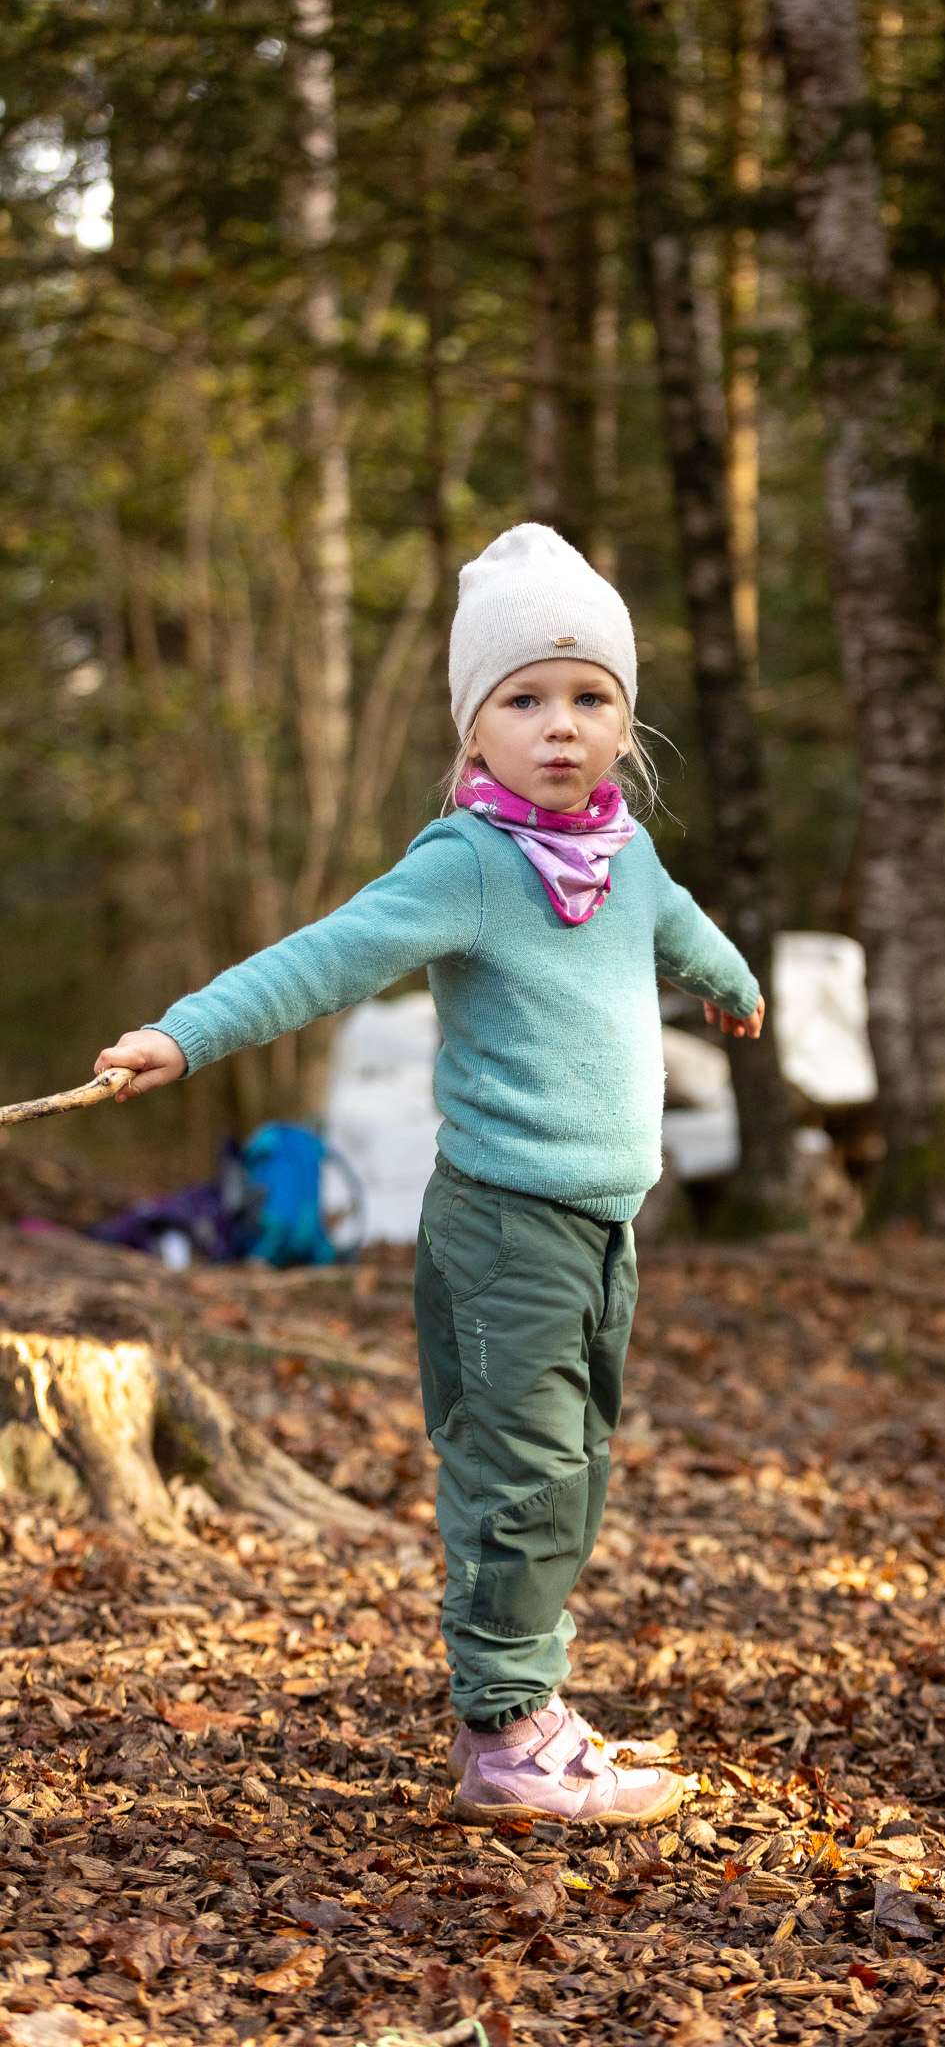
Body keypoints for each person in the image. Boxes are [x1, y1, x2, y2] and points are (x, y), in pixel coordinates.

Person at [95, 523, 765, 1827]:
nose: (559, 726)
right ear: (475, 731)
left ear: (625, 723)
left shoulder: (624, 855)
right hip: (505, 1223)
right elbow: (325, 957)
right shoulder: (468, 862)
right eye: (523, 700)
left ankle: (530, 1708)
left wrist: (731, 985)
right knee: (517, 1473)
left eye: (589, 698)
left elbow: (678, 930)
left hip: (601, 1227)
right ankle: (506, 1737)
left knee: (570, 1471)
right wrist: (184, 1032)